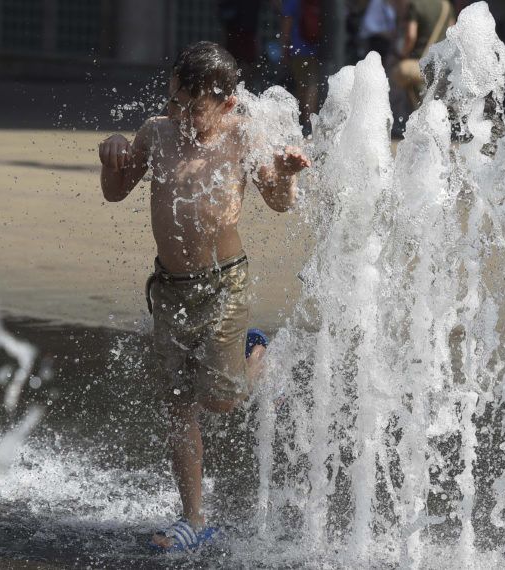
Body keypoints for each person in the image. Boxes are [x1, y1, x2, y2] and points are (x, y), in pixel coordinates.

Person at [97, 41, 310, 552]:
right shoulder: (157, 133)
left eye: (195, 108)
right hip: (169, 289)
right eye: (175, 102)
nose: (182, 116)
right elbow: (116, 191)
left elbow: (279, 203)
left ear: (228, 104)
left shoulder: (244, 136)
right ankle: (192, 517)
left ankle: (256, 353)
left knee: (219, 399)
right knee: (176, 403)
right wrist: (113, 153)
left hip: (223, 285)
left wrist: (284, 173)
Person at [392, 0, 454, 108]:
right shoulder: (446, 5)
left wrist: (403, 55)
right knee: (440, 106)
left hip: (419, 66)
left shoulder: (415, 4)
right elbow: (452, 34)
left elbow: (410, 35)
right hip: (441, 65)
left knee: (418, 107)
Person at [280, 0, 322, 128]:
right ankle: (310, 121)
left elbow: (287, 21)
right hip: (314, 47)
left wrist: (284, 48)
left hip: (298, 48)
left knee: (303, 85)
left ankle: (305, 123)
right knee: (312, 84)